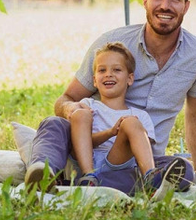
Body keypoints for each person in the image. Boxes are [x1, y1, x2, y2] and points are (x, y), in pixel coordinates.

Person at [25, 0, 196, 196]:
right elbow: (65, 99)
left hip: (139, 163)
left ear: (186, 6)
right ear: (145, 1)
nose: (165, 6)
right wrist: (74, 110)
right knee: (53, 124)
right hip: (85, 150)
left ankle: (91, 184)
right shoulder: (111, 43)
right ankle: (42, 172)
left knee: (183, 170)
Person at [70, 41, 175, 193]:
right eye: (102, 70)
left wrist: (121, 131)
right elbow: (78, 142)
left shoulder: (140, 115)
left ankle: (150, 177)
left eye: (117, 69)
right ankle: (89, 177)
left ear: (130, 79)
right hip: (88, 160)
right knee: (80, 114)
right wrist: (110, 132)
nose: (108, 74)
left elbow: (142, 149)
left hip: (118, 162)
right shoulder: (88, 105)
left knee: (131, 122)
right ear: (94, 80)